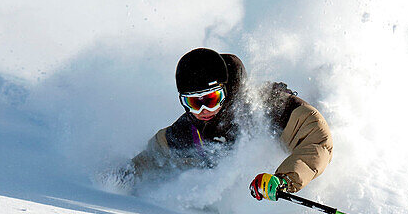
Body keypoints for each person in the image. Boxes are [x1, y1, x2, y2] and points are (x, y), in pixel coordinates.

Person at [112, 47, 333, 200]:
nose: (203, 111)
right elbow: (154, 155)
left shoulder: (267, 106)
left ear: (225, 92)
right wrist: (125, 174)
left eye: (210, 99)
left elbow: (318, 141)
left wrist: (283, 180)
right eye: (193, 102)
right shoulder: (189, 128)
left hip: (308, 154)